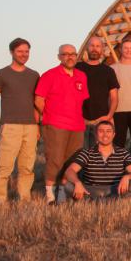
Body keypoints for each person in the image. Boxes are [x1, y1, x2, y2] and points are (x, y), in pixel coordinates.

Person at [0, 38, 40, 202]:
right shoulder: (1, 74)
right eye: (20, 51)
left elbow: (36, 102)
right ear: (11, 52)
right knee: (4, 167)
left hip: (30, 126)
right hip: (10, 126)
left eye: (26, 51)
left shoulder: (34, 75)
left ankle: (24, 199)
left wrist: (37, 126)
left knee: (27, 167)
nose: (24, 54)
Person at [36, 44, 89, 204]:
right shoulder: (49, 75)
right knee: (55, 159)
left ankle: (62, 191)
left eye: (73, 54)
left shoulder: (81, 76)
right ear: (59, 57)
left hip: (77, 125)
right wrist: (52, 114)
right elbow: (39, 100)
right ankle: (50, 195)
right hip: (55, 124)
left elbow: (82, 100)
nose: (70, 57)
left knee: (71, 161)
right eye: (65, 54)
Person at [58, 121, 131, 201]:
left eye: (108, 131)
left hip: (114, 189)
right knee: (68, 185)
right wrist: (77, 182)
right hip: (90, 190)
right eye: (101, 131)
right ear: (96, 135)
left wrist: (127, 177)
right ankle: (104, 201)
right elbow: (69, 171)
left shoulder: (123, 153)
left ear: (113, 135)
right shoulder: (87, 152)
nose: (105, 134)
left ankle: (99, 201)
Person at [76, 37, 120, 149]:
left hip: (101, 120)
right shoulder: (78, 68)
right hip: (79, 120)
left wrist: (109, 116)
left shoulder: (108, 71)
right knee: (79, 155)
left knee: (99, 155)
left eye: (98, 46)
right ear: (87, 48)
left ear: (102, 49)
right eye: (92, 46)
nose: (94, 49)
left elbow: (114, 97)